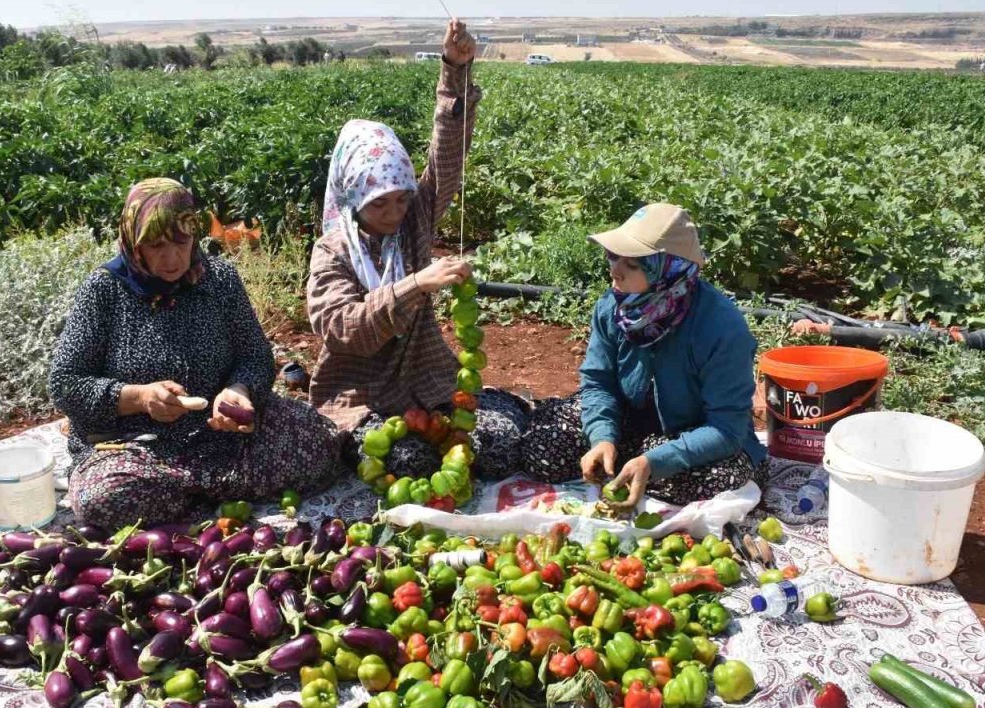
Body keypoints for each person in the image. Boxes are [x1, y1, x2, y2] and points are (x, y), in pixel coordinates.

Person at [50, 178, 343, 529]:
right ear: (133, 241)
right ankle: (207, 488)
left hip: (221, 438)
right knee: (105, 498)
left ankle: (185, 494)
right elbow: (65, 383)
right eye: (156, 245)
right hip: (137, 447)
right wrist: (140, 398)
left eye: (182, 242)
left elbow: (255, 354)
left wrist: (239, 390)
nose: (172, 258)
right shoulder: (104, 291)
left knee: (319, 444)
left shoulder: (218, 279)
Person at [306, 19, 527, 480]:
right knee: (407, 462)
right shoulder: (333, 252)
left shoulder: (414, 220)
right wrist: (414, 285)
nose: (395, 212)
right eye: (380, 203)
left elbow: (446, 155)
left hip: (430, 385)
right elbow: (345, 329)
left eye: (402, 198)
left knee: (499, 445)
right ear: (353, 200)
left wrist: (455, 69)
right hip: (361, 396)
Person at [521, 204, 767, 507]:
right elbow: (599, 382)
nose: (615, 271)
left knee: (720, 477)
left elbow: (726, 429)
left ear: (668, 269)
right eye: (613, 256)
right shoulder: (614, 308)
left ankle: (640, 463)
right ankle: (624, 458)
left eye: (633, 264)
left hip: (693, 432)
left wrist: (656, 460)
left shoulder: (722, 328)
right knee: (543, 451)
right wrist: (602, 437)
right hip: (630, 421)